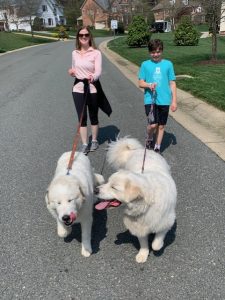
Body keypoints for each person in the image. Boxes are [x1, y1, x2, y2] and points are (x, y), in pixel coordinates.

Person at [68, 26, 111, 154]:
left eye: (86, 35)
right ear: (78, 38)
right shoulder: (74, 53)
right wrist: (72, 72)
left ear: (90, 36)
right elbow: (74, 69)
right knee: (81, 117)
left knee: (93, 115)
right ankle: (85, 143)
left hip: (92, 87)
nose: (84, 37)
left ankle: (94, 141)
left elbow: (98, 70)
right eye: (81, 35)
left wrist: (94, 76)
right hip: (78, 88)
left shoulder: (96, 53)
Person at [138, 39, 177, 153]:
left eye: (158, 52)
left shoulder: (168, 64)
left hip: (165, 100)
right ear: (149, 52)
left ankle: (157, 147)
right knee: (153, 124)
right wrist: (149, 85)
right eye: (153, 52)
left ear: (162, 51)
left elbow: (172, 83)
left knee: (161, 126)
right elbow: (140, 83)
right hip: (150, 99)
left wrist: (174, 101)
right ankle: (150, 137)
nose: (155, 54)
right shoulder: (145, 65)